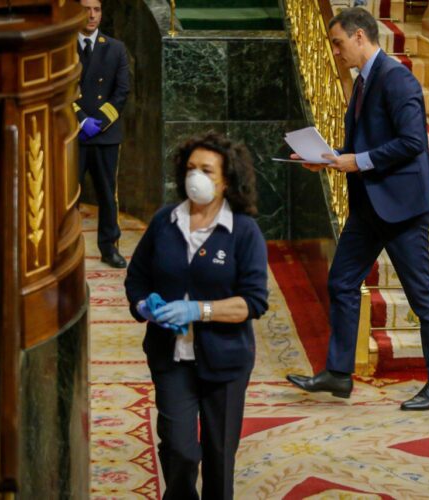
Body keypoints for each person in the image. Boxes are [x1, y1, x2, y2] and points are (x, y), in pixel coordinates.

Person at [286, 7, 429, 411]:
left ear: (360, 37)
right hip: (369, 205)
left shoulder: (398, 79)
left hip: (401, 206)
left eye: (339, 43)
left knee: (421, 293)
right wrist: (330, 158)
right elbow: (366, 142)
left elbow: (413, 142)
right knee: (342, 282)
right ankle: (339, 374)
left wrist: (356, 161)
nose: (336, 52)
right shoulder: (362, 81)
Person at [124, 132, 269, 499]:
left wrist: (198, 310)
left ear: (226, 180)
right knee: (179, 450)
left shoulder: (244, 232)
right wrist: (146, 306)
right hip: (171, 357)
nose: (196, 177)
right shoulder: (164, 221)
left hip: (225, 360)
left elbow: (252, 302)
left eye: (206, 170)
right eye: (190, 168)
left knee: (219, 456)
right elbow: (137, 277)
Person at [74, 0, 130, 268]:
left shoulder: (116, 48)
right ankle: (66, 249)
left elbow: (121, 92)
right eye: (86, 9)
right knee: (68, 195)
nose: (91, 15)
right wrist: (81, 121)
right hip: (72, 135)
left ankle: (109, 248)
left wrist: (98, 122)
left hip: (105, 135)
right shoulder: (62, 47)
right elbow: (58, 89)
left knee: (108, 195)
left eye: (96, 9)